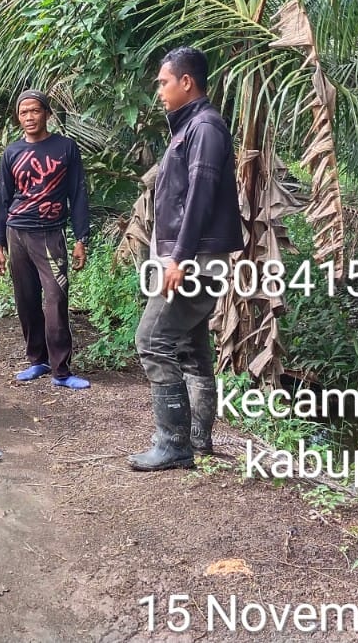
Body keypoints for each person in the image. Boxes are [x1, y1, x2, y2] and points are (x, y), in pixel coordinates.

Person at [127, 47, 244, 470]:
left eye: (163, 82)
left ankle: (174, 444)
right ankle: (198, 437)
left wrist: (179, 258)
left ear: (186, 82)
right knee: (191, 347)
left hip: (194, 262)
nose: (159, 90)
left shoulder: (205, 128)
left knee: (152, 339)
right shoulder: (190, 127)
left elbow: (200, 195)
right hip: (192, 259)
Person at [0, 90, 91, 390]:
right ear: (18, 118)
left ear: (47, 113)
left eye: (35, 111)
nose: (30, 117)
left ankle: (61, 371)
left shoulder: (65, 148)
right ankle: (38, 360)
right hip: (17, 231)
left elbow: (78, 193)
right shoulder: (11, 153)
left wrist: (80, 238)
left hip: (50, 235)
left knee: (56, 298)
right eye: (24, 113)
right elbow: (3, 200)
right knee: (26, 298)